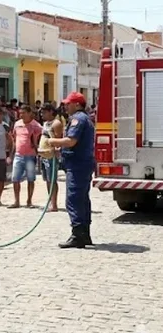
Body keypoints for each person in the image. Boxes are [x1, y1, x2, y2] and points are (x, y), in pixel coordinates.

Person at [48, 92, 95, 248]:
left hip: (78, 164)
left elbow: (71, 141)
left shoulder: (78, 119)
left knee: (74, 199)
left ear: (77, 104)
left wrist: (53, 141)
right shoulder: (83, 118)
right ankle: (85, 233)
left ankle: (78, 235)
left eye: (68, 104)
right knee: (82, 199)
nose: (65, 106)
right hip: (81, 163)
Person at [10, 105, 43, 209]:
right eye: (20, 113)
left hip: (30, 155)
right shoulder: (17, 124)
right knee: (15, 179)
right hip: (18, 155)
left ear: (29, 113)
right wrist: (11, 154)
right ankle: (16, 201)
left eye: (24, 113)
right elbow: (14, 139)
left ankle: (29, 200)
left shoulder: (36, 125)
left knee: (30, 179)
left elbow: (43, 136)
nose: (21, 115)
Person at [40, 104, 63, 213]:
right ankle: (50, 201)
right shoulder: (45, 124)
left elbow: (58, 140)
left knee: (52, 180)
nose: (42, 114)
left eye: (44, 112)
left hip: (51, 156)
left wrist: (56, 151)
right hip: (44, 155)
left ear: (51, 112)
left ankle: (54, 204)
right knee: (47, 180)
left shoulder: (56, 123)